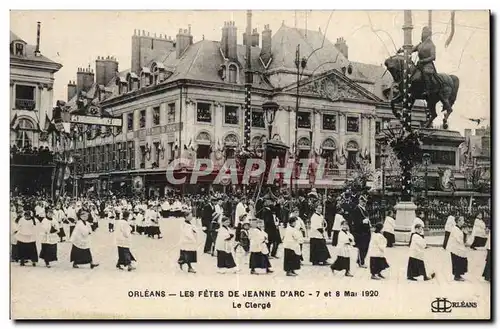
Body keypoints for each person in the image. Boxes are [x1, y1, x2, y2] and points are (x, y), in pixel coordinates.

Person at [350, 195, 371, 268]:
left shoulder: (364, 209)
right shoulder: (357, 209)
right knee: (362, 247)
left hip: (366, 231)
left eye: (365, 202)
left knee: (365, 247)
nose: (364, 203)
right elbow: (355, 221)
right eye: (362, 201)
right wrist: (362, 221)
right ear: (359, 201)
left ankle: (360, 260)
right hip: (360, 231)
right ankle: (361, 262)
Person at [447, 216, 468, 281]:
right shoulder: (455, 229)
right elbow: (459, 240)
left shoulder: (459, 229)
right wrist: (464, 233)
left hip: (458, 248)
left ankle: (458, 275)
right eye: (462, 220)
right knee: (457, 262)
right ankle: (457, 276)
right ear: (458, 221)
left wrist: (465, 233)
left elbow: (464, 241)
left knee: (460, 261)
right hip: (455, 249)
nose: (463, 222)